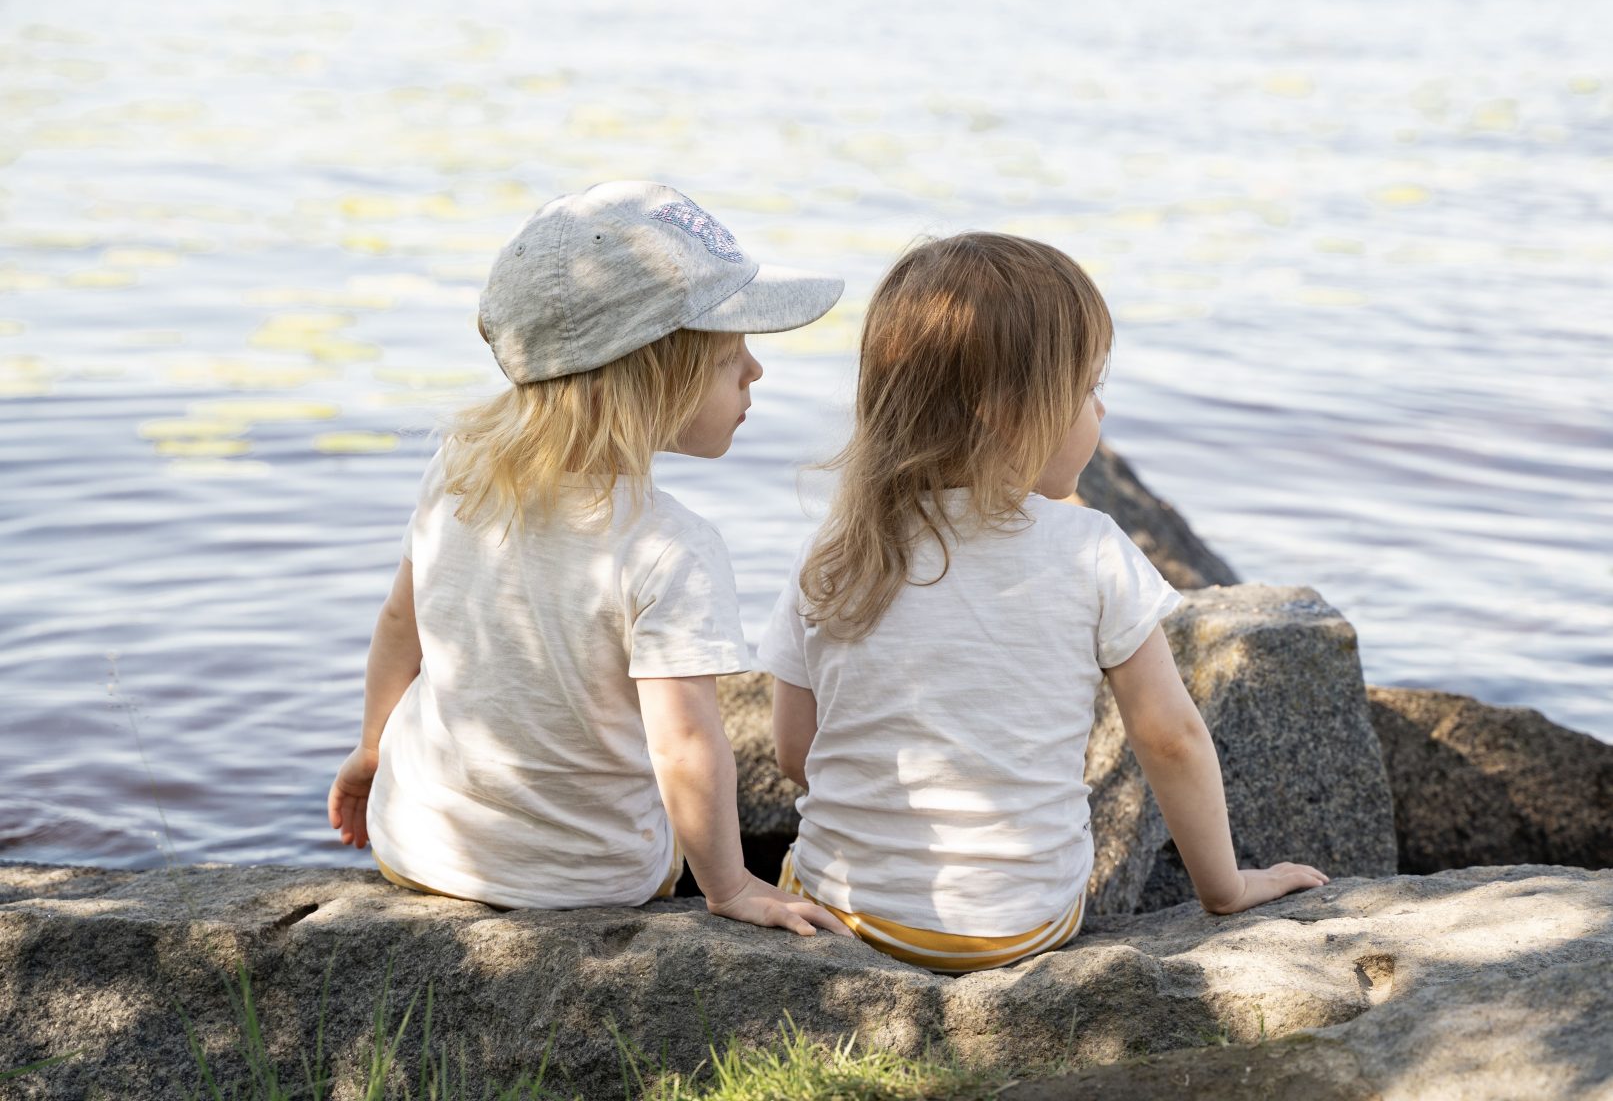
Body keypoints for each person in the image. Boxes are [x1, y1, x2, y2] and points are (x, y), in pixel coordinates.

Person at [758, 232, 1327, 973]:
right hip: (1019, 925)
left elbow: (796, 753)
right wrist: (1224, 888)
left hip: (846, 916)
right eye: (1088, 388)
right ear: (1007, 411)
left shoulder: (836, 550)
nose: (1101, 411)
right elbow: (1170, 737)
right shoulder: (1089, 546)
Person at [327, 180, 852, 939]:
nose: (755, 373)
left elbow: (401, 623)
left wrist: (371, 750)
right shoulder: (671, 546)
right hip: (590, 884)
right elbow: (684, 745)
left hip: (416, 845)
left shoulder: (461, 464)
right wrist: (733, 887)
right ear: (652, 378)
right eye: (730, 354)